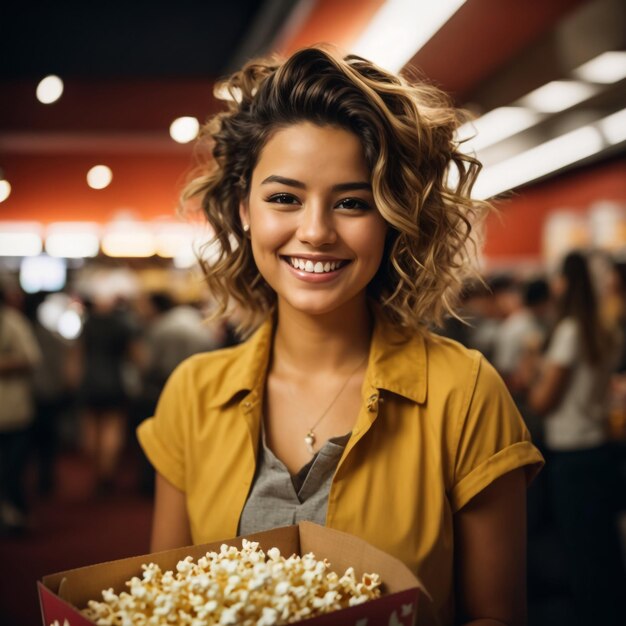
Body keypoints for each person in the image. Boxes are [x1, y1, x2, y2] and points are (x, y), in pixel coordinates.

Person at [138, 46, 543, 626]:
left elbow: (496, 616)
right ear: (243, 207)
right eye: (284, 198)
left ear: (391, 217)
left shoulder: (465, 393)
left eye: (352, 202)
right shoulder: (191, 395)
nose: (316, 231)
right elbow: (165, 605)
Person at [527, 251, 625, 626]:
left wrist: (535, 370)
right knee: (604, 549)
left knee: (581, 552)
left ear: (564, 283)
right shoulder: (607, 328)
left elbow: (544, 400)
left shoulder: (568, 332)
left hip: (571, 455)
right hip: (600, 449)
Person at [0, 285, 42, 531]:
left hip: (13, 410)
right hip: (12, 408)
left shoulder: (13, 322)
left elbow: (32, 358)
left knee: (13, 467)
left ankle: (16, 513)